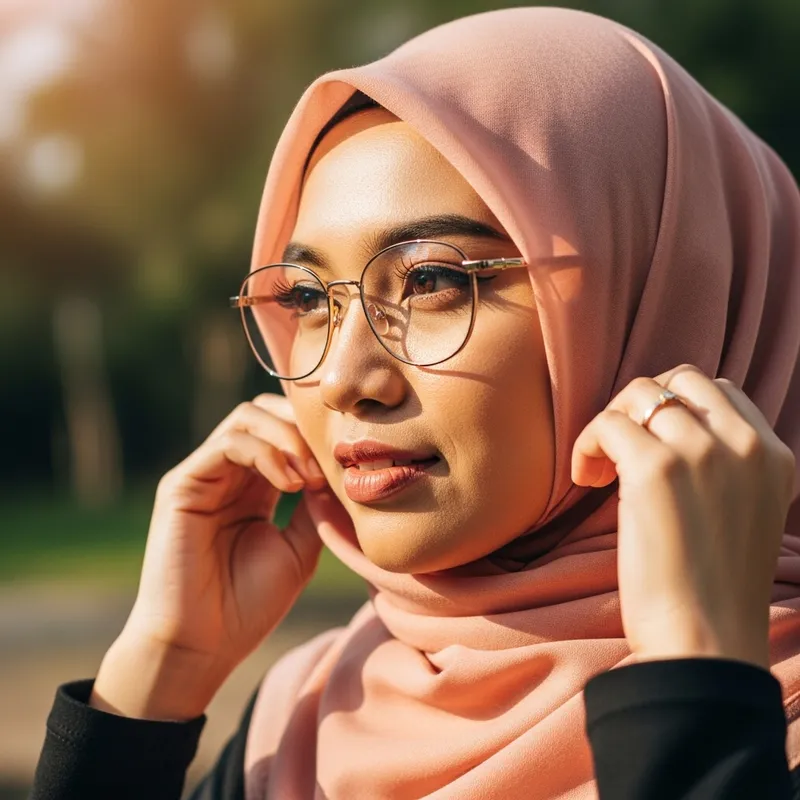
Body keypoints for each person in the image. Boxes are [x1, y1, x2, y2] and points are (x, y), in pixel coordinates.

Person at [30, 7, 800, 799]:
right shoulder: (304, 723)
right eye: (306, 297)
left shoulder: (768, 719)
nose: (341, 379)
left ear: (664, 297)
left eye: (433, 280)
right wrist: (159, 674)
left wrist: (701, 679)